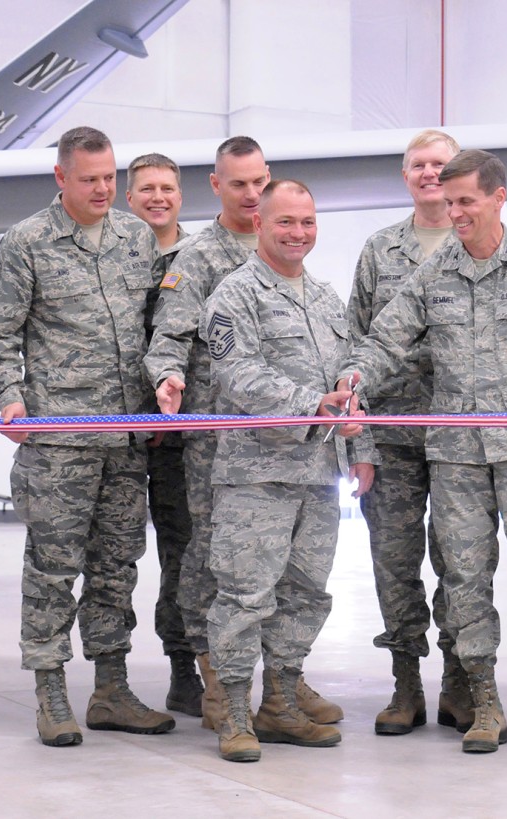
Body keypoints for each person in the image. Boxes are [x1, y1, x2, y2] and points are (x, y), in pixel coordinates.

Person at [340, 149, 507, 756]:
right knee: (466, 582)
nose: (454, 214)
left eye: (465, 202)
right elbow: (386, 339)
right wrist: (350, 385)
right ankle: (484, 705)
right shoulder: (434, 273)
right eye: (448, 203)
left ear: (498, 198)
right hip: (455, 457)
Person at [0, 126, 174, 747]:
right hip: (59, 439)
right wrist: (11, 401)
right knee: (53, 568)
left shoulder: (135, 237)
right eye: (88, 178)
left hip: (126, 436)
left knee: (117, 567)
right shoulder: (27, 242)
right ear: (61, 178)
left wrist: (163, 391)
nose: (102, 189)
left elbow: (152, 327)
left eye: (109, 177)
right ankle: (50, 691)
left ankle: (111, 689)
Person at [145, 138, 346, 732]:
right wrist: (167, 377)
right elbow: (172, 339)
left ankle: (281, 686)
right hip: (226, 443)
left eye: (261, 182)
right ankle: (216, 687)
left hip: (308, 453)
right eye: (241, 185)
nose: (252, 194)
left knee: (296, 576)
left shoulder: (320, 290)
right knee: (219, 566)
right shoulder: (204, 260)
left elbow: (341, 367)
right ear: (218, 186)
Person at [201, 179, 375, 762]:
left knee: (305, 595)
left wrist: (353, 412)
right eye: (286, 222)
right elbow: (237, 374)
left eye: (307, 221)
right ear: (260, 224)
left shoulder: (325, 297)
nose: (298, 233)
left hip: (318, 473)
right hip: (257, 476)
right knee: (245, 597)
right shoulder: (235, 294)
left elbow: (348, 368)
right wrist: (312, 404)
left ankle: (280, 702)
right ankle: (233, 713)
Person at [347, 129, 469, 736]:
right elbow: (356, 345)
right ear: (405, 176)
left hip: (458, 438)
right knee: (394, 563)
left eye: (440, 164)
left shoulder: (477, 243)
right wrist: (359, 441)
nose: (429, 173)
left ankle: (457, 684)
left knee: (460, 562)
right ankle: (405, 685)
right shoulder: (379, 251)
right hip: (392, 437)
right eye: (418, 164)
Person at [125, 152, 201, 718]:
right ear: (131, 198)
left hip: (180, 436)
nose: (158, 197)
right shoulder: (115, 254)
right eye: (147, 188)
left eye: (168, 188)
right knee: (116, 556)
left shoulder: (199, 258)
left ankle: (185, 670)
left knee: (184, 555)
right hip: (120, 429)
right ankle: (112, 678)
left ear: (181, 195)